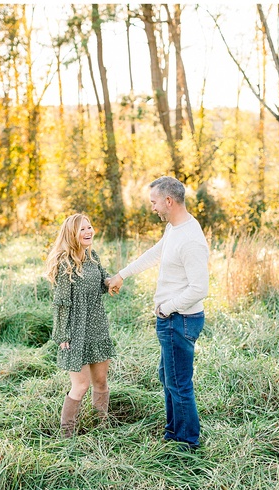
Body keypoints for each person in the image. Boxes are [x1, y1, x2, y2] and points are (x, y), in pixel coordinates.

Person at [108, 176, 209, 449]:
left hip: (180, 319)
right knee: (168, 376)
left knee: (179, 383)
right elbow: (156, 253)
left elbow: (199, 288)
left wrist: (166, 308)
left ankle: (187, 443)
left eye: (154, 202)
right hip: (173, 319)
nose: (152, 208)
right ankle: (173, 432)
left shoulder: (191, 239)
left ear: (168, 201)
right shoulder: (175, 229)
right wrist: (122, 274)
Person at [45, 213, 117, 438]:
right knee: (81, 385)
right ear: (72, 235)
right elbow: (61, 303)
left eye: (90, 227)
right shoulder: (65, 263)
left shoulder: (93, 257)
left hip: (97, 327)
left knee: (101, 382)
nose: (88, 232)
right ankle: (67, 435)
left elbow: (103, 283)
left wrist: (116, 280)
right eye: (82, 229)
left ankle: (100, 427)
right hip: (75, 330)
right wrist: (63, 335)